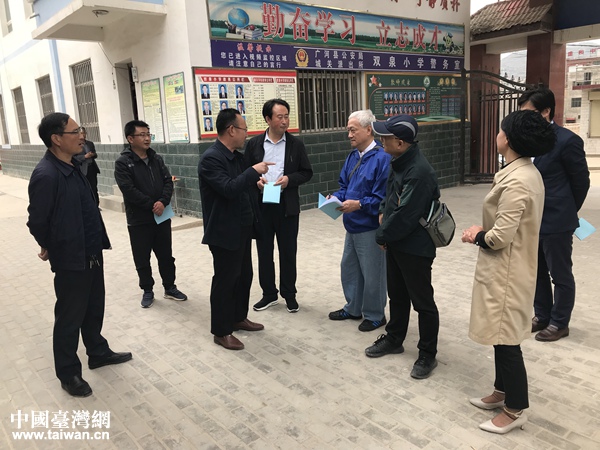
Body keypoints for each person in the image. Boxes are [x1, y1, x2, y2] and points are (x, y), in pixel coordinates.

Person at [462, 110, 556, 434]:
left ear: (510, 140)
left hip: (507, 272)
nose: (497, 134)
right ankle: (501, 392)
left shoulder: (519, 180)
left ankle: (515, 409)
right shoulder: (521, 171)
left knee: (506, 340)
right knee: (499, 335)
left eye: (501, 130)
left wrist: (476, 234)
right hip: (505, 268)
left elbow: (500, 236)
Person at [27, 113, 132, 398]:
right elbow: (37, 220)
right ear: (56, 139)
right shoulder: (47, 175)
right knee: (70, 316)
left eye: (81, 130)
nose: (81, 136)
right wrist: (49, 244)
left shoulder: (73, 165)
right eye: (75, 132)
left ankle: (97, 351)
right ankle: (68, 373)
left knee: (94, 305)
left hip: (91, 249)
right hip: (71, 256)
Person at [365, 114, 440, 380]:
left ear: (400, 142)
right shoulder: (398, 161)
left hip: (415, 246)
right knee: (397, 295)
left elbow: (406, 215)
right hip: (397, 241)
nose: (381, 141)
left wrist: (381, 236)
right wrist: (382, 213)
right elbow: (389, 196)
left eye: (385, 137)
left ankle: (427, 354)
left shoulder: (419, 172)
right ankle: (394, 339)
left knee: (423, 302)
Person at [518, 88, 590, 342]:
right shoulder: (525, 139)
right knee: (536, 271)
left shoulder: (567, 140)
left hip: (557, 219)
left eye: (529, 113)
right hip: (531, 219)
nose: (524, 118)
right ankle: (542, 314)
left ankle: (560, 322)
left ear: (546, 111)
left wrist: (567, 210)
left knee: (560, 273)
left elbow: (581, 182)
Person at [198, 109, 273, 350]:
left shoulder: (237, 157)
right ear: (231, 130)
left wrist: (257, 184)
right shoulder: (211, 159)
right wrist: (253, 172)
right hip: (223, 230)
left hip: (242, 227)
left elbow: (242, 186)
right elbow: (228, 189)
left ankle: (238, 317)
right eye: (244, 129)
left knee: (243, 276)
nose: (246, 134)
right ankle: (221, 331)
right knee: (225, 280)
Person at [244, 99, 313, 313]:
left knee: (288, 251)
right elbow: (244, 172)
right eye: (279, 117)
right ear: (268, 119)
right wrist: (255, 181)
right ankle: (269, 294)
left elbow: (306, 172)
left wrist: (289, 180)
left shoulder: (296, 144)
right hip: (263, 204)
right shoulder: (254, 144)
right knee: (264, 251)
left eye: (286, 116)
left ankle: (289, 294)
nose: (284, 121)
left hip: (287, 205)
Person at [328, 110, 390, 332]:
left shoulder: (383, 158)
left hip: (370, 227)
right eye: (348, 130)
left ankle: (375, 315)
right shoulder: (353, 156)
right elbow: (344, 186)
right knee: (350, 268)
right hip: (352, 224)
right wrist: (336, 198)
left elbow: (382, 198)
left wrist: (360, 204)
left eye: (353, 130)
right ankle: (353, 308)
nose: (349, 135)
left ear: (368, 130)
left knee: (373, 273)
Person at [114, 120, 187, 308]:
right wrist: (151, 205)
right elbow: (128, 190)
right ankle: (147, 290)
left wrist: (163, 202)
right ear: (130, 139)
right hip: (139, 219)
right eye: (142, 135)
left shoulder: (156, 158)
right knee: (142, 258)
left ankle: (170, 287)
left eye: (148, 134)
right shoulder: (123, 162)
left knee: (166, 256)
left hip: (161, 216)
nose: (147, 138)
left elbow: (168, 181)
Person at [73, 127, 100, 205]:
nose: (83, 135)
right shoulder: (75, 145)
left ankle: (96, 205)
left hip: (92, 168)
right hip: (82, 169)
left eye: (84, 133)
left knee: (94, 188)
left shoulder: (90, 143)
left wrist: (92, 154)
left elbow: (95, 154)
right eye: (81, 133)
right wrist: (84, 157)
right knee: (85, 188)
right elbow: (74, 158)